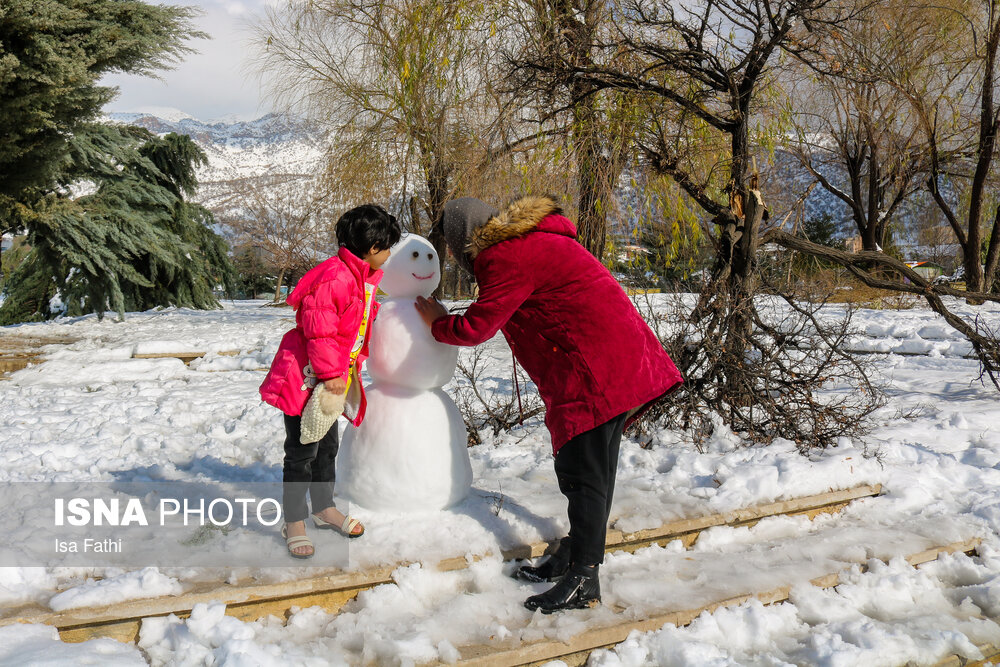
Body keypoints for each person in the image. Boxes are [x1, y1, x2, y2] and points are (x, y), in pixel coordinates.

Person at [415, 195, 682, 612]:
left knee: (584, 474)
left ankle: (584, 578)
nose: (450, 253)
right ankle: (574, 555)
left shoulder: (506, 256)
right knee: (594, 469)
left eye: (450, 244)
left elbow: (476, 327)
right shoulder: (529, 243)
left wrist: (437, 322)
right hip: (612, 360)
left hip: (595, 371)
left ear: (463, 237)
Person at [259, 204, 401, 558]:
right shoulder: (335, 277)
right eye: (387, 248)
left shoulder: (358, 278)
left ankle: (323, 506)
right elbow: (318, 331)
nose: (388, 255)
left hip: (329, 382)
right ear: (372, 247)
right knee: (301, 452)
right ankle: (293, 519)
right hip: (308, 379)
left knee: (326, 447)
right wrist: (331, 374)